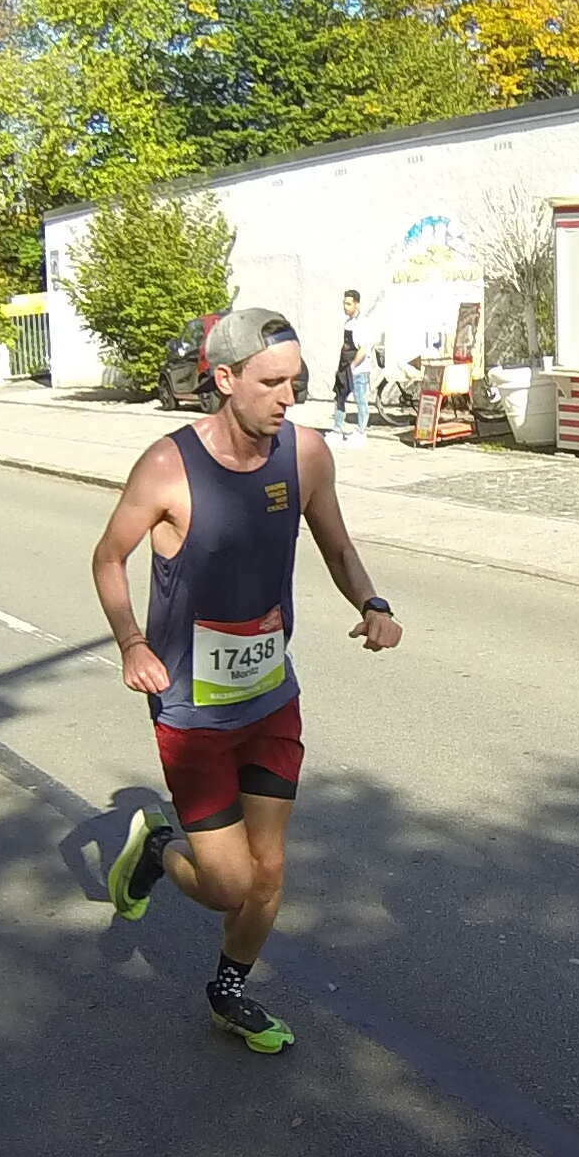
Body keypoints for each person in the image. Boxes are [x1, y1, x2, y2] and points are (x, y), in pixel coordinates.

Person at [92, 306, 403, 1053]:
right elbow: (108, 558)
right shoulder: (167, 466)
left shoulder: (306, 454)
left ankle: (228, 992)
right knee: (227, 884)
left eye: (295, 381)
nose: (288, 397)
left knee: (268, 872)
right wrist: (132, 642)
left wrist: (372, 603)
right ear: (226, 379)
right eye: (271, 383)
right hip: (192, 712)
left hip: (269, 698)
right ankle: (159, 851)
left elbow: (337, 545)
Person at [331, 290, 365, 442]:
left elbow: (363, 349)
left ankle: (361, 430)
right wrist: (341, 368)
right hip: (343, 368)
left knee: (360, 399)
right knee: (339, 397)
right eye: (344, 303)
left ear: (357, 304)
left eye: (349, 304)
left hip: (357, 369)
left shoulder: (361, 324)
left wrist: (353, 366)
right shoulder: (348, 323)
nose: (345, 306)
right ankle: (337, 428)